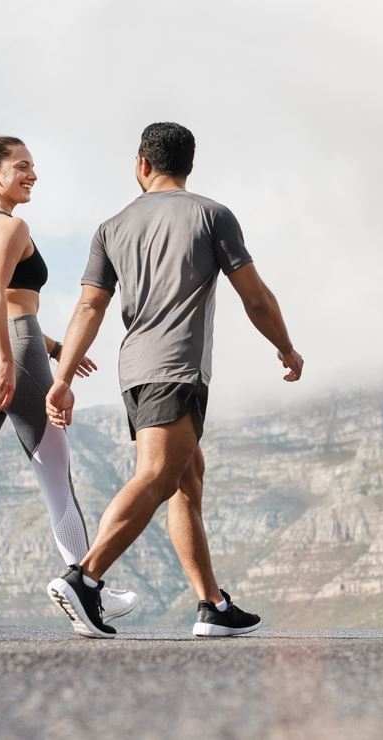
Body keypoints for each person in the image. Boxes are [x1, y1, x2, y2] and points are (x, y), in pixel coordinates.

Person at [44, 122, 303, 638]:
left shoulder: (111, 227)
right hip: (177, 367)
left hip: (134, 370)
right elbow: (255, 296)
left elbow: (90, 305)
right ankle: (86, 578)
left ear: (142, 164)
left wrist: (65, 375)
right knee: (160, 475)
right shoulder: (212, 215)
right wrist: (286, 347)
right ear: (189, 165)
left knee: (187, 479)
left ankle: (211, 605)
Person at [0, 136, 137, 632]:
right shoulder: (13, 227)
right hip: (9, 353)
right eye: (22, 166)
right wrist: (7, 360)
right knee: (56, 477)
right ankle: (88, 592)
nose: (32, 174)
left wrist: (54, 347)